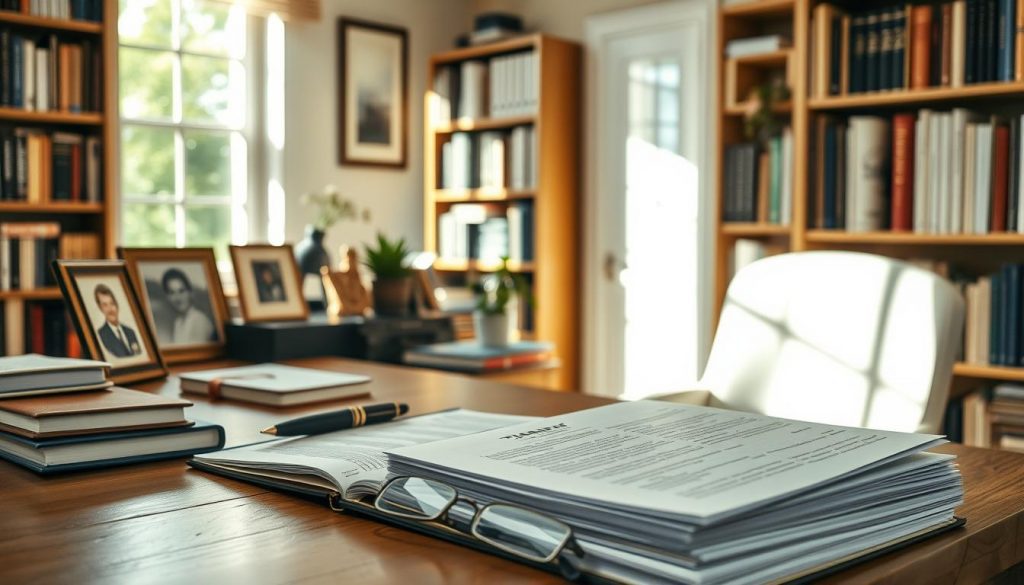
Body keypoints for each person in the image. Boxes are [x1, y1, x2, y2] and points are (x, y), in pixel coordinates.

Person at [162, 268, 216, 344]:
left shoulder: (199, 320)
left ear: (190, 292)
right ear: (167, 297)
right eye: (172, 293)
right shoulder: (178, 322)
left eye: (181, 291)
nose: (178, 298)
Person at [95, 284, 142, 358]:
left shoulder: (130, 332)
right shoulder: (101, 335)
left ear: (117, 305)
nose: (110, 309)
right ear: (101, 308)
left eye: (112, 303)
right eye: (105, 305)